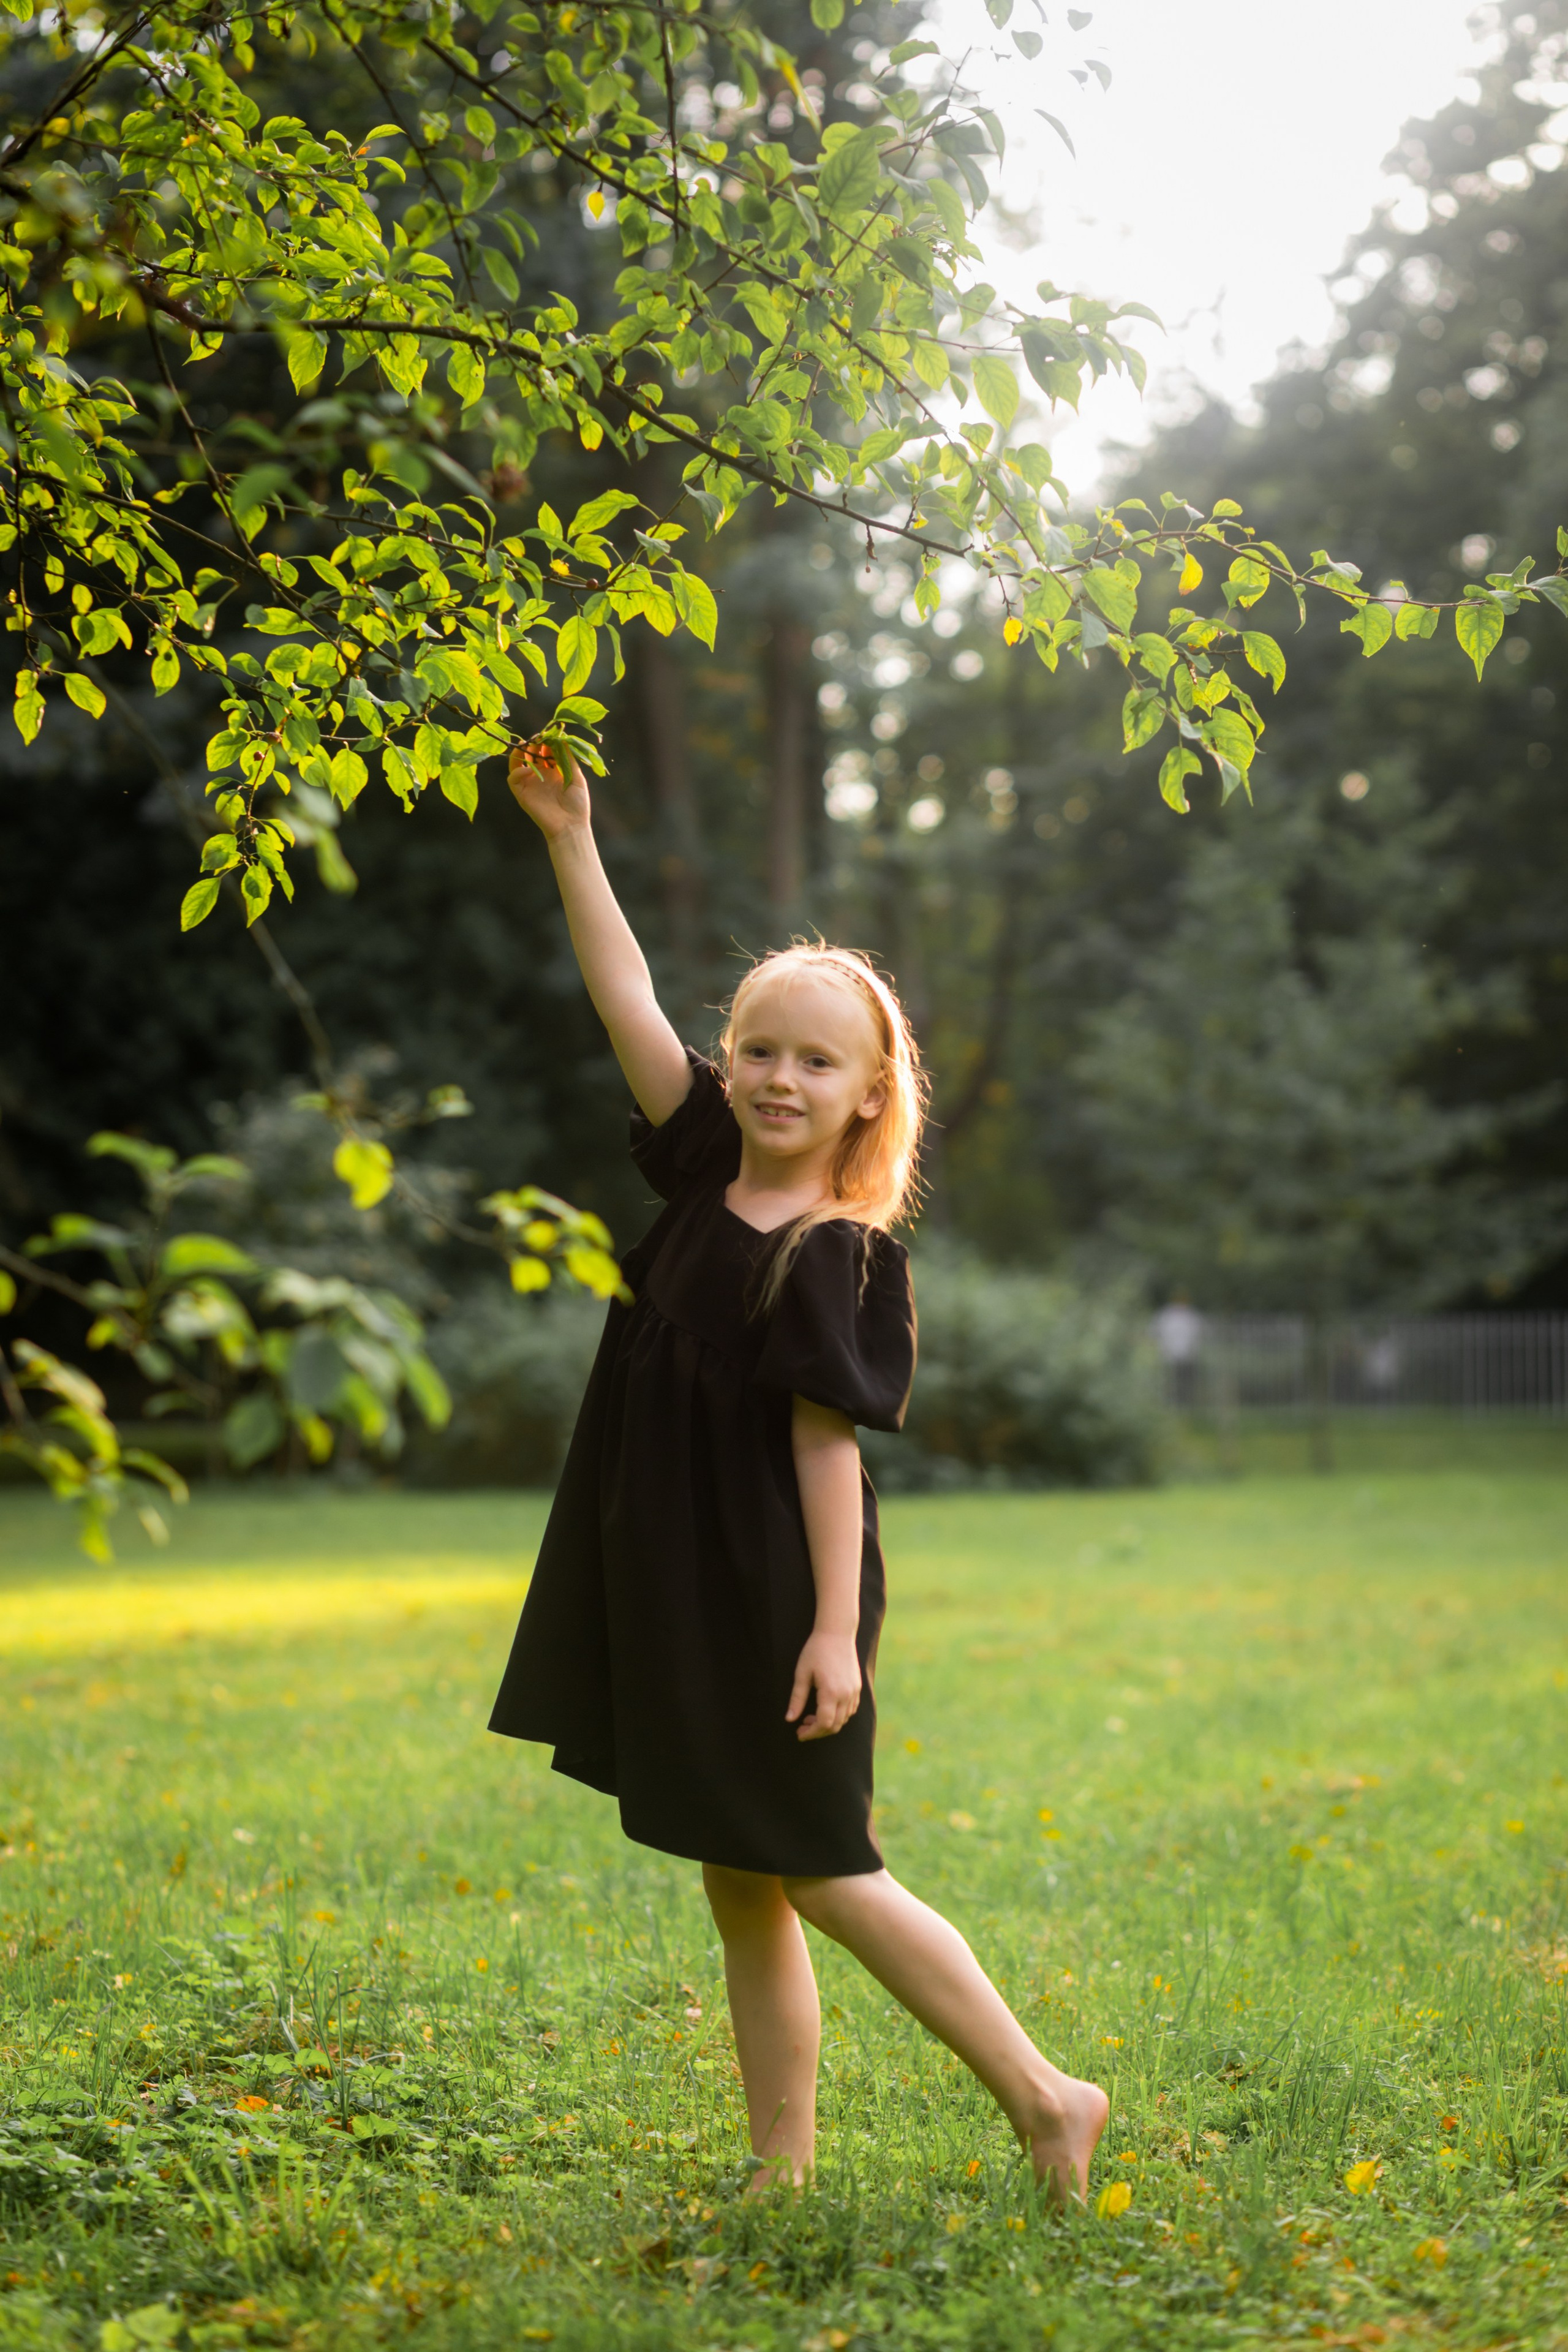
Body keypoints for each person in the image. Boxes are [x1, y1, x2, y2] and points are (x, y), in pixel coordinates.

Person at [489, 736, 1108, 2203]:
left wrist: (834, 1631)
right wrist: (573, 839)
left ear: (864, 1095)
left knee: (824, 1868)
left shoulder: (834, 1255)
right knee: (740, 1885)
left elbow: (826, 1453)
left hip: (776, 1590)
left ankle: (1045, 2093)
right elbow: (625, 998)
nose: (774, 1076)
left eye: (811, 1061)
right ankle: (782, 2172)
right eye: (757, 1047)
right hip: (680, 1576)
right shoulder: (702, 1173)